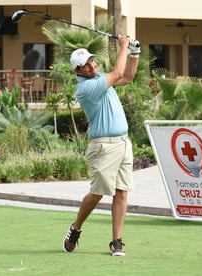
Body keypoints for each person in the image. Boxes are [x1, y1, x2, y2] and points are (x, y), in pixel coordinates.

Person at [62, 35, 140, 257]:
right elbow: (117, 73)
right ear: (77, 72)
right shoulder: (86, 89)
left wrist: (134, 53)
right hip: (103, 146)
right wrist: (123, 46)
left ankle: (116, 241)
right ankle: (75, 228)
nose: (91, 66)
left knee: (121, 193)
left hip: (123, 142)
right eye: (85, 65)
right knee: (97, 194)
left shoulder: (101, 77)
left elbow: (127, 77)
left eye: (92, 61)